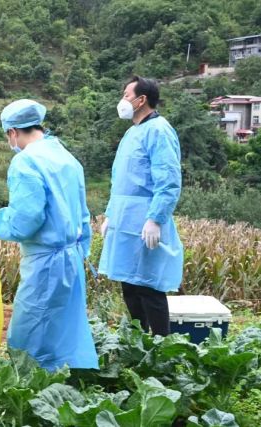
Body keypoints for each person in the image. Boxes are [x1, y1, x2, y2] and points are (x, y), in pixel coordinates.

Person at [0, 99, 98, 371]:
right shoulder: (66, 157)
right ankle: (70, 382)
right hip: (72, 257)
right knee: (64, 329)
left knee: (31, 332)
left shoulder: (25, 162)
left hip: (46, 262)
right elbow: (83, 213)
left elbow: (26, 220)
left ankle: (32, 392)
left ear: (13, 132)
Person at [99, 76, 183, 337]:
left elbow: (168, 180)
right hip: (124, 220)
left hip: (145, 220)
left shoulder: (159, 131)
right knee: (130, 285)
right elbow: (121, 180)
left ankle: (161, 347)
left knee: (149, 286)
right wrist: (110, 215)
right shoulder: (132, 132)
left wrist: (156, 218)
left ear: (141, 100)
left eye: (126, 95)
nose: (123, 100)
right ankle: (138, 343)